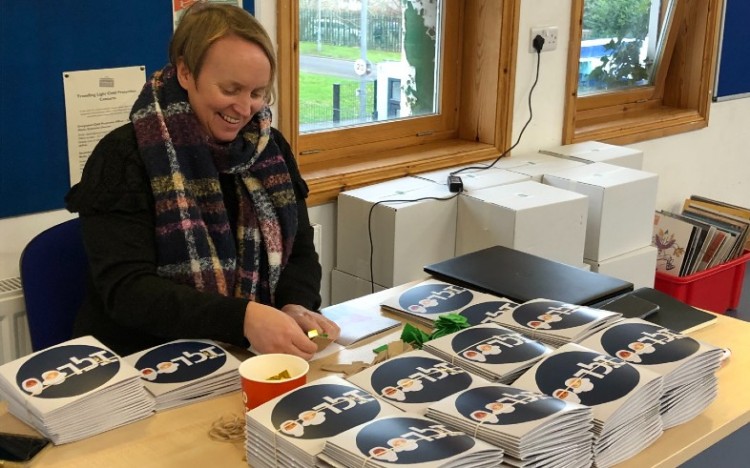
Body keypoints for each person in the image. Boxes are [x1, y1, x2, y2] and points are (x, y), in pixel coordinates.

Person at [65, 2, 339, 359]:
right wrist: (241, 318)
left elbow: (299, 250)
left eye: (257, 93)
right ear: (185, 73)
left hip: (244, 355)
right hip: (142, 360)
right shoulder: (124, 156)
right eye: (230, 90)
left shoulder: (269, 149)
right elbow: (128, 291)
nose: (244, 109)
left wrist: (294, 305)